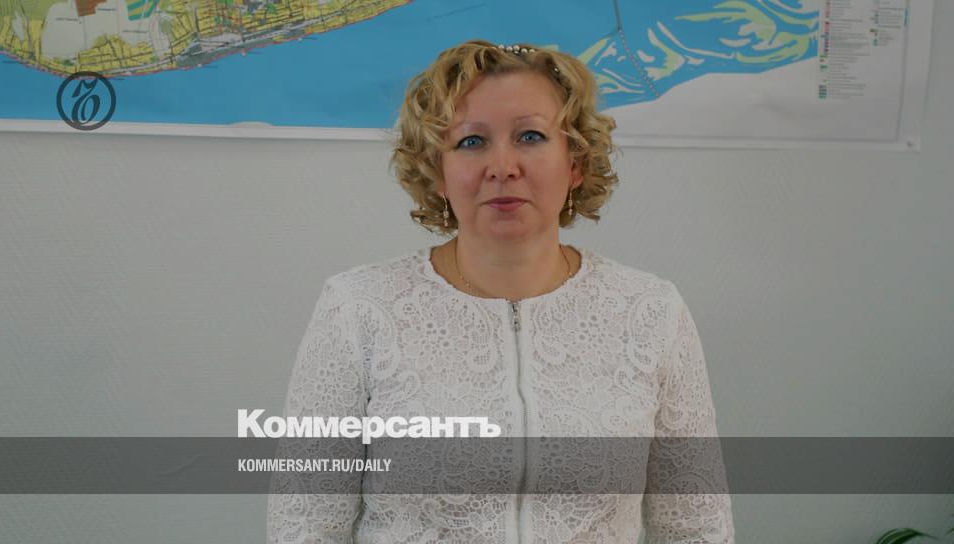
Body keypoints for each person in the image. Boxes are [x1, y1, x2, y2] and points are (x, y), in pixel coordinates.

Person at [267, 39, 735, 543]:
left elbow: (695, 525)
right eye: (472, 141)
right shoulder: (359, 309)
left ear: (575, 162)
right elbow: (304, 524)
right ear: (437, 171)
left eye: (530, 136)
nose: (503, 166)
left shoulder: (651, 311)